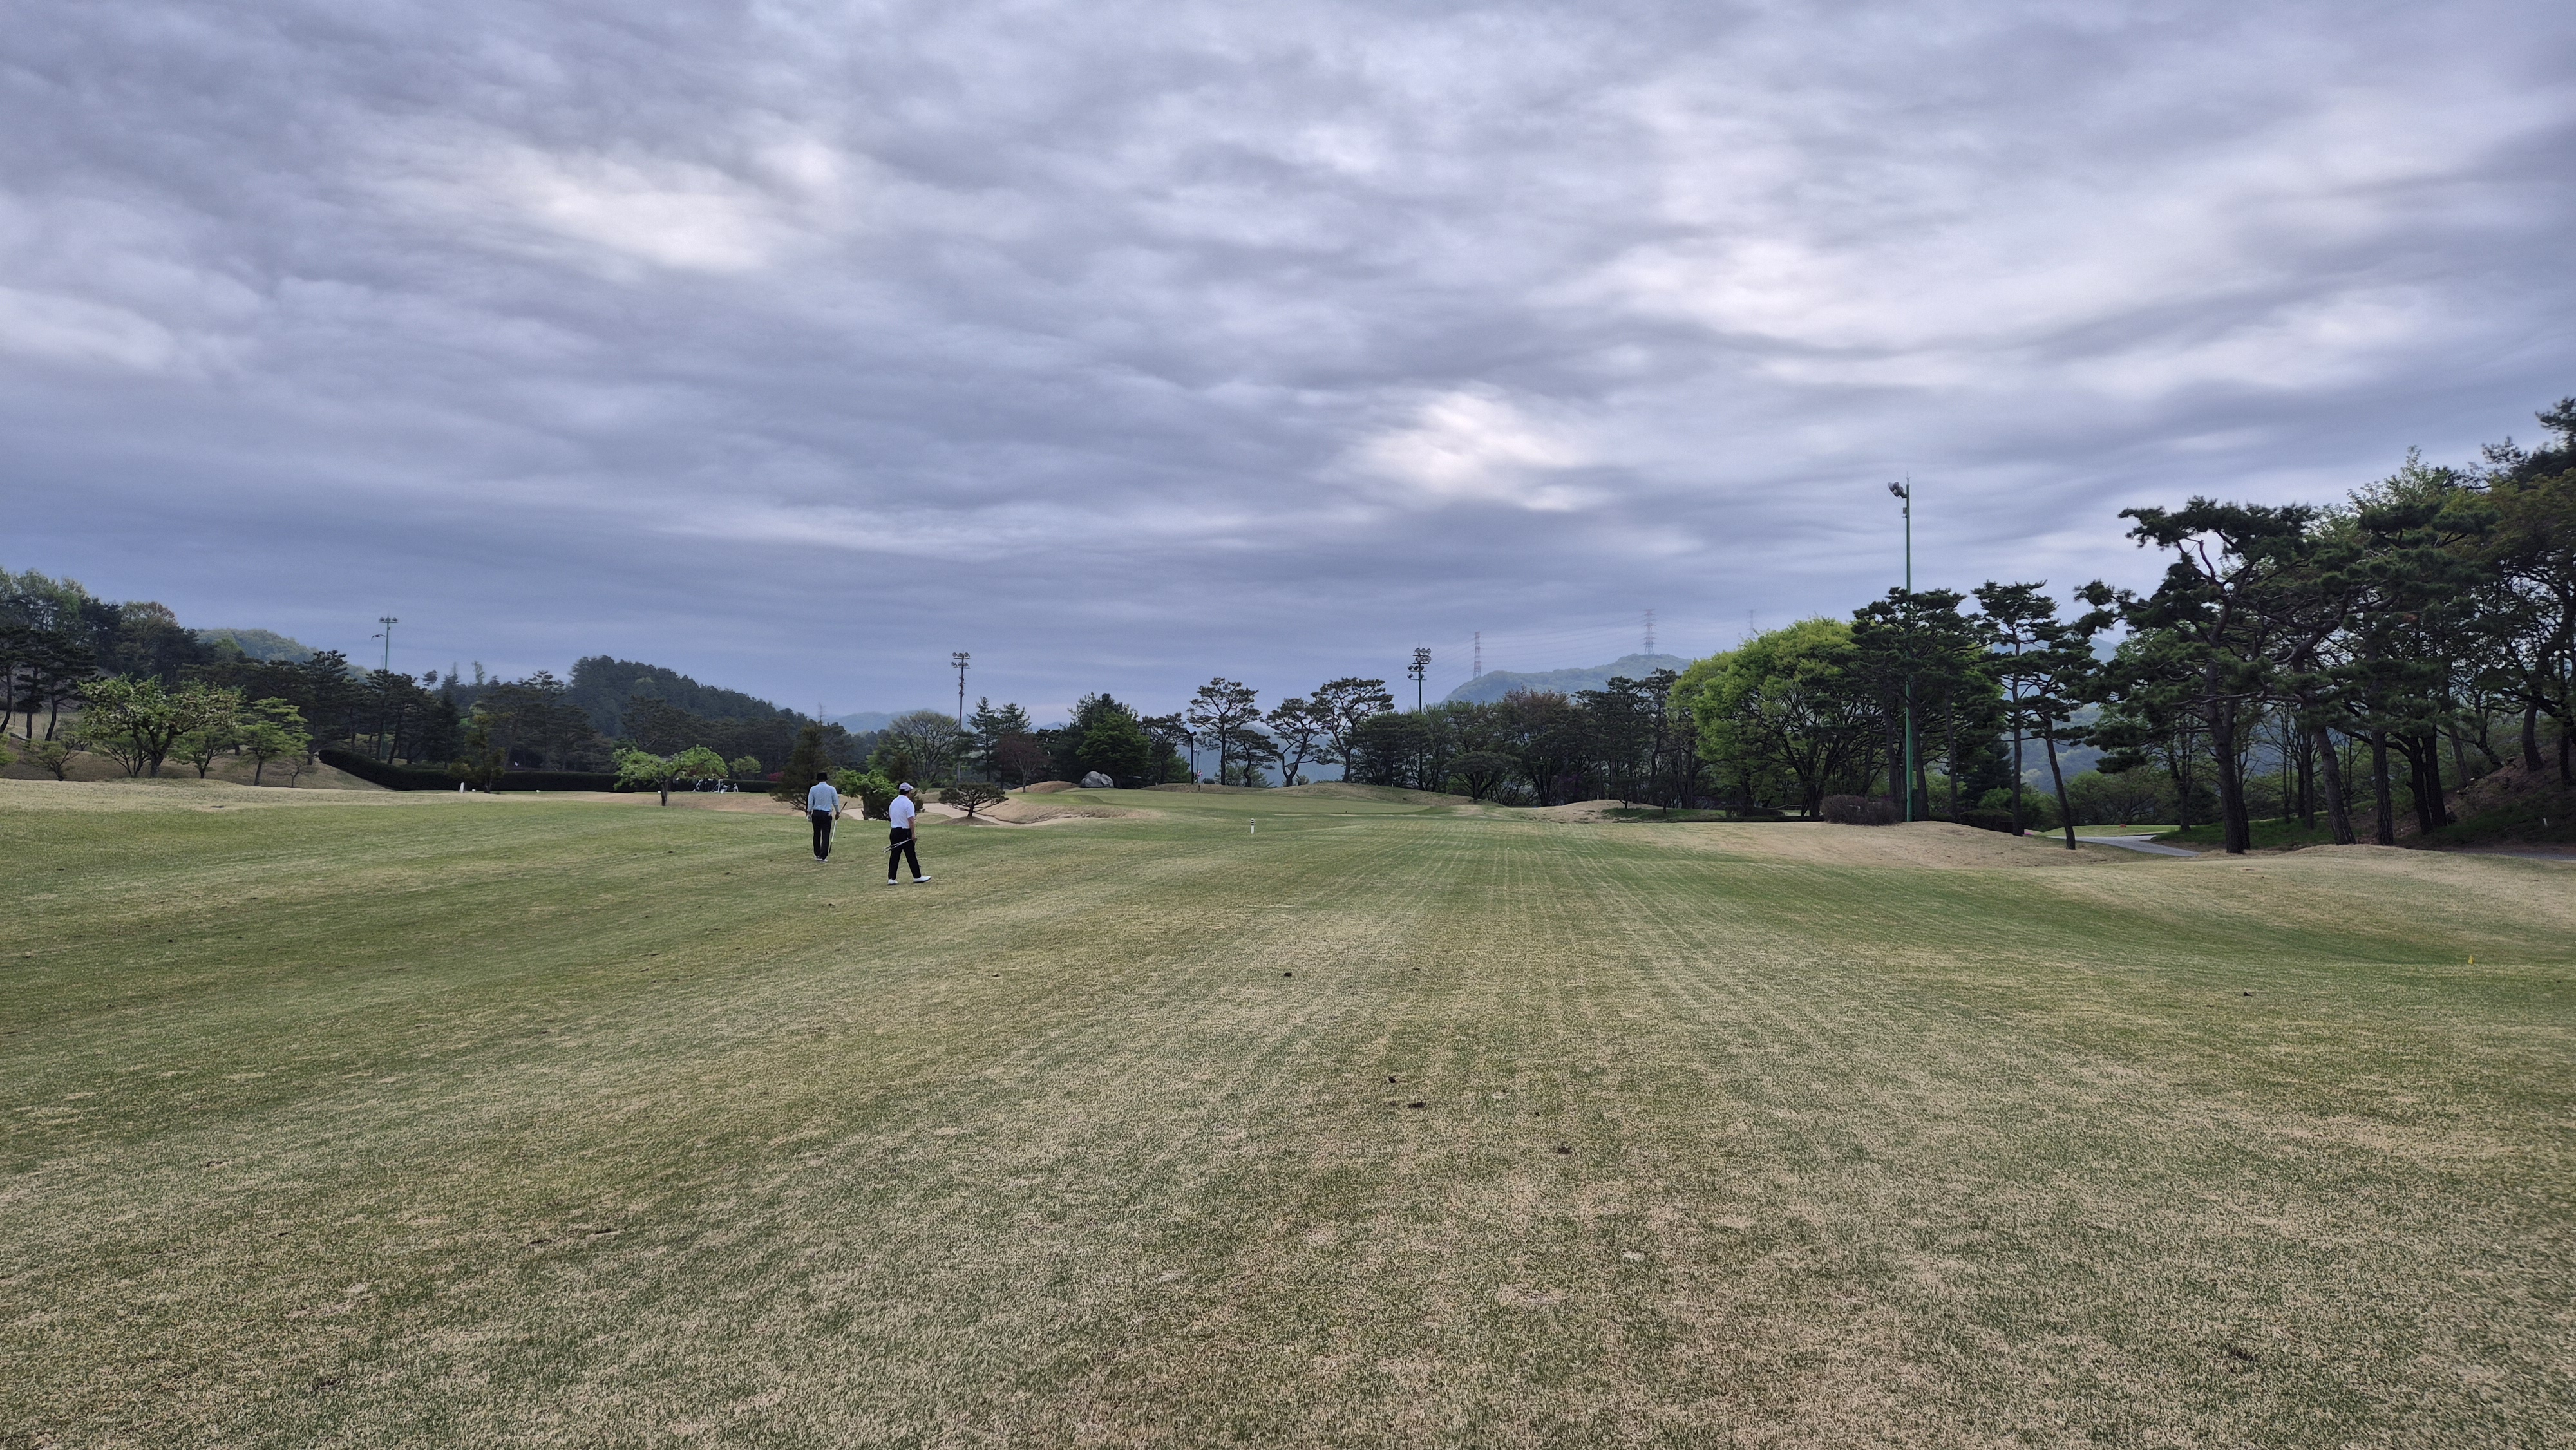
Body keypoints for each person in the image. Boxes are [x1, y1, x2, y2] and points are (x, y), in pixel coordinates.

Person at [887, 782, 929, 883]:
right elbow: (911, 820)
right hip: (905, 831)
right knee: (911, 854)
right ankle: (917, 877)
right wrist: (913, 834)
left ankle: (892, 878)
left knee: (895, 855)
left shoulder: (894, 802)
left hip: (894, 831)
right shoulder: (908, 803)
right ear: (909, 792)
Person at [805, 771, 841, 862]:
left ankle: (817, 854)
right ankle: (823, 856)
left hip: (816, 814)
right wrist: (838, 812)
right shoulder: (832, 789)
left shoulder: (813, 789)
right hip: (826, 814)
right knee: (825, 835)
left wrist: (809, 813)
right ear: (826, 779)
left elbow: (810, 803)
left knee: (816, 834)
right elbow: (835, 802)